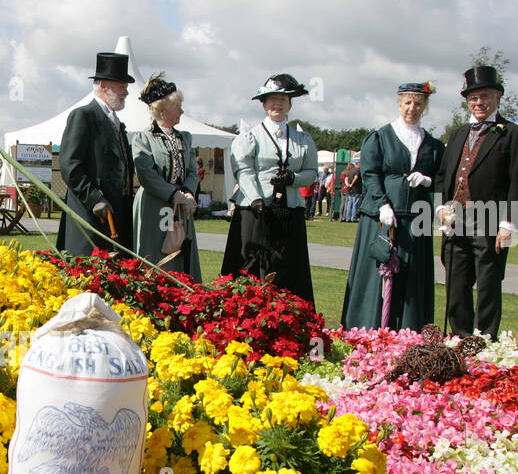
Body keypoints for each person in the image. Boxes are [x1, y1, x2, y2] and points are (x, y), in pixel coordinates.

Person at [435, 64, 518, 340]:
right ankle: (461, 335)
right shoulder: (458, 134)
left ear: (498, 97)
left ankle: (485, 337)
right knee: (456, 279)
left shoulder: (512, 134)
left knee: (489, 281)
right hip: (456, 218)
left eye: (485, 96)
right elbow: (444, 176)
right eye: (474, 98)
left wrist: (508, 224)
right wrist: (442, 208)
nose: (479, 103)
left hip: (490, 217)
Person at [341, 81, 446, 330]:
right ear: (400, 104)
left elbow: (442, 178)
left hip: (415, 220)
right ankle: (368, 328)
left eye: (418, 103)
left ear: (424, 107)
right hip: (381, 218)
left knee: (412, 278)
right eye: (408, 102)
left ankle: (408, 330)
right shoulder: (379, 138)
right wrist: (382, 205)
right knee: (378, 276)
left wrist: (428, 179)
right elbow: (370, 174)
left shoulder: (432, 145)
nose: (413, 107)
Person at [220, 74, 318, 304]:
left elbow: (311, 172)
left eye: (283, 99)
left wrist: (293, 178)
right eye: (272, 99)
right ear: (263, 104)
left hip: (288, 212)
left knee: (287, 266)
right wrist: (255, 198)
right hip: (255, 213)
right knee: (250, 266)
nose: (277, 104)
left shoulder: (303, 139)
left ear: (290, 104)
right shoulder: (249, 137)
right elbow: (243, 169)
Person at [57, 52, 135, 256]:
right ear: (103, 85)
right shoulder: (83, 116)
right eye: (122, 87)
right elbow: (69, 165)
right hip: (90, 216)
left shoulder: (116, 122)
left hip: (116, 216)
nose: (126, 93)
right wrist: (94, 198)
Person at [130, 73, 202, 280]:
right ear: (162, 109)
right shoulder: (144, 138)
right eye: (177, 106)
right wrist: (174, 195)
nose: (182, 110)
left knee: (180, 247)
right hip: (154, 204)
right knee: (155, 249)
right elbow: (147, 175)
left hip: (182, 206)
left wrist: (187, 194)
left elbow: (191, 171)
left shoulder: (184, 138)